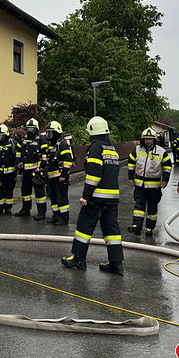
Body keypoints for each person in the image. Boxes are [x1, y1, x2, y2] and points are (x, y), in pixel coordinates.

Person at [61, 116, 123, 275]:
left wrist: (86, 196)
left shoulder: (96, 148)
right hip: (112, 199)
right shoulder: (112, 149)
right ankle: (116, 265)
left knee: (83, 228)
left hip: (96, 198)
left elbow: (94, 175)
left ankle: (78, 259)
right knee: (112, 232)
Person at [128, 128, 172, 237]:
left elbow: (167, 167)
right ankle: (136, 227)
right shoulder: (137, 150)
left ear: (154, 140)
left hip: (154, 188)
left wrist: (165, 180)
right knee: (139, 207)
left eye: (150, 139)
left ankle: (149, 229)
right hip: (140, 186)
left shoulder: (161, 152)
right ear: (143, 140)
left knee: (152, 209)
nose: (148, 141)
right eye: (146, 139)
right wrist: (130, 177)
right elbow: (131, 163)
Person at [15, 118, 46, 217]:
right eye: (28, 128)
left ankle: (41, 212)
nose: (30, 130)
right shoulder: (24, 138)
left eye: (32, 128)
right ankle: (25, 209)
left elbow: (45, 153)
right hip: (25, 171)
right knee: (25, 191)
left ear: (36, 129)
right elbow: (18, 151)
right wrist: (18, 162)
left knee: (39, 192)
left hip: (36, 170)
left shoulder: (41, 138)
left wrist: (42, 166)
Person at [45, 121, 73, 225]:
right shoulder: (51, 144)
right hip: (51, 177)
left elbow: (68, 160)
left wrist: (63, 175)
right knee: (53, 198)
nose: (48, 135)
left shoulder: (62, 143)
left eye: (50, 132)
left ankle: (64, 218)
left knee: (61, 199)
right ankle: (55, 216)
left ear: (56, 132)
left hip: (60, 177)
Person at [0, 124, 17, 214]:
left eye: (1, 135)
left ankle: (8, 207)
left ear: (6, 135)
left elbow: (18, 154)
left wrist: (18, 164)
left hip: (11, 172)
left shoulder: (12, 143)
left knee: (9, 190)